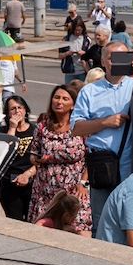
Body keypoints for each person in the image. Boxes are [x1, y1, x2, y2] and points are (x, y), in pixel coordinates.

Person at [73, 50, 133, 223]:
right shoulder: (89, 91)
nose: (117, 62)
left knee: (130, 220)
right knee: (102, 220)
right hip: (102, 165)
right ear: (102, 61)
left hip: (131, 164)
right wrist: (104, 122)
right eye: (112, 57)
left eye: (123, 57)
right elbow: (76, 128)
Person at [23, 84, 92, 234]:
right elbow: (33, 154)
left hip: (73, 190)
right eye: (56, 97)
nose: (59, 102)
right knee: (43, 231)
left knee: (78, 231)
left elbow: (91, 158)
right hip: (45, 190)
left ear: (73, 105)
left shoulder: (81, 127)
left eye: (65, 99)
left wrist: (83, 183)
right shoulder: (42, 127)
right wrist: (37, 160)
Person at [0, 94, 37, 221]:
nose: (17, 111)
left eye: (20, 107)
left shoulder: (35, 131)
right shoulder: (3, 132)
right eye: (13, 109)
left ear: (25, 110)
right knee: (15, 221)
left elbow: (42, 158)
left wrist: (27, 174)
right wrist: (12, 128)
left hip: (31, 181)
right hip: (10, 183)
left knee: (32, 220)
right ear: (7, 113)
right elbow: (5, 153)